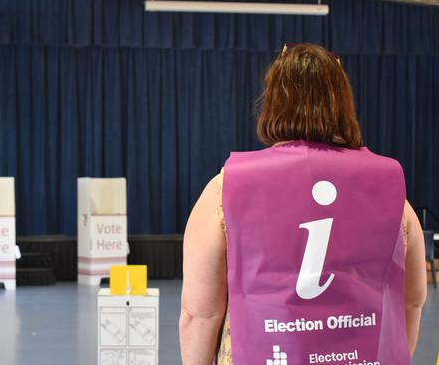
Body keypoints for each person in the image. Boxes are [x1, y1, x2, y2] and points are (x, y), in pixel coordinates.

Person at [179, 44, 426, 365]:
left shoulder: (226, 188)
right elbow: (412, 302)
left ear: (273, 103)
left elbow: (199, 313)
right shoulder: (392, 192)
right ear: (343, 104)